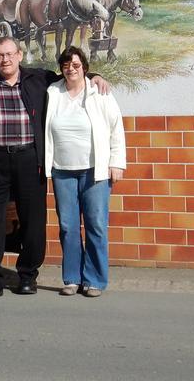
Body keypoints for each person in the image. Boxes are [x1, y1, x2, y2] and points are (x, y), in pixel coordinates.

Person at [0, 36, 108, 299]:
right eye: (0, 55)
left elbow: (70, 76)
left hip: (29, 159)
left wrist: (93, 75)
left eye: (9, 54)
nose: (5, 59)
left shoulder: (38, 80)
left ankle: (28, 276)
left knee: (33, 221)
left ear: (20, 55)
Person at [44, 45, 125, 297]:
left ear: (85, 68)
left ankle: (95, 280)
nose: (71, 69)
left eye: (76, 65)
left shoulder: (99, 93)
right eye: (66, 65)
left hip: (95, 171)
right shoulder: (52, 93)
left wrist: (117, 162)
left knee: (96, 225)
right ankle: (71, 278)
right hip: (62, 171)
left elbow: (116, 128)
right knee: (68, 227)